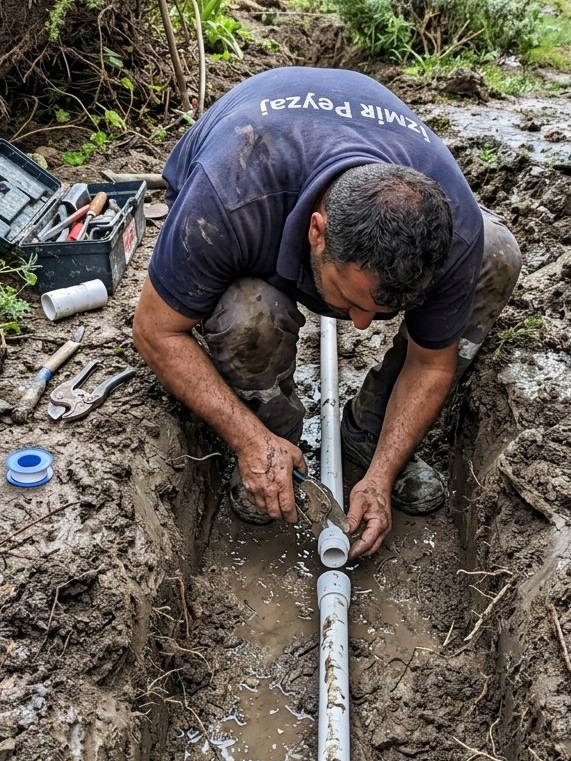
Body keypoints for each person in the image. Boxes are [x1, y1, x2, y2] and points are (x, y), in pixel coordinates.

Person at [132, 67, 520, 559]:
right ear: (317, 232)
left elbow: (431, 363)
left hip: (316, 195)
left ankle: (369, 434)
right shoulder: (230, 194)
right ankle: (273, 443)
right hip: (256, 197)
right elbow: (154, 330)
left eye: (380, 310)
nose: (359, 325)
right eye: (352, 300)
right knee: (250, 312)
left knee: (498, 253)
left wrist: (380, 475)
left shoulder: (453, 226)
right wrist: (249, 439)